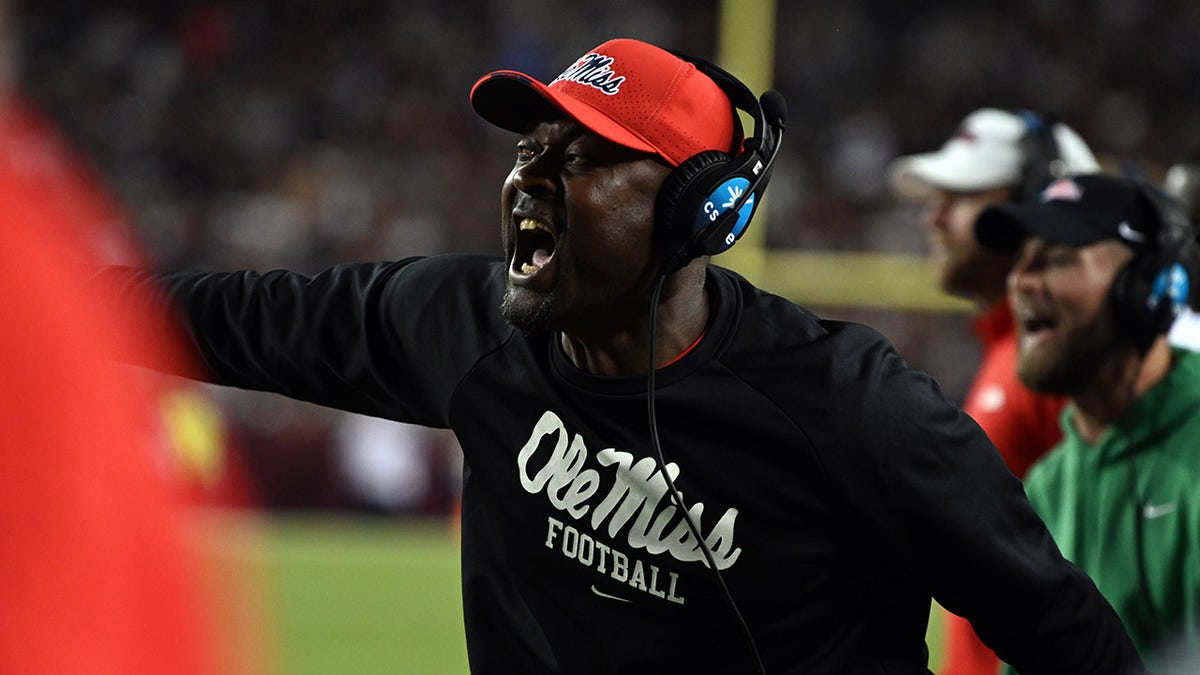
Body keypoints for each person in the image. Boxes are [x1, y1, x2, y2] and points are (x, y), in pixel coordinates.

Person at [98, 38, 1145, 674]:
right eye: (529, 150)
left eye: (588, 158)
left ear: (701, 213)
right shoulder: (467, 325)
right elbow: (236, 317)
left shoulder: (851, 407)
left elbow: (1061, 631)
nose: (531, 179)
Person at [886, 109, 1101, 674]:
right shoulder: (1016, 354)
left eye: (962, 195)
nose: (934, 217)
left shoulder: (1066, 363)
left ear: (1041, 201)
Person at [974, 173, 1200, 671]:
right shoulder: (1047, 485)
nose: (1020, 280)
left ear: (1150, 287)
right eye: (1020, 260)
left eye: (1057, 259)